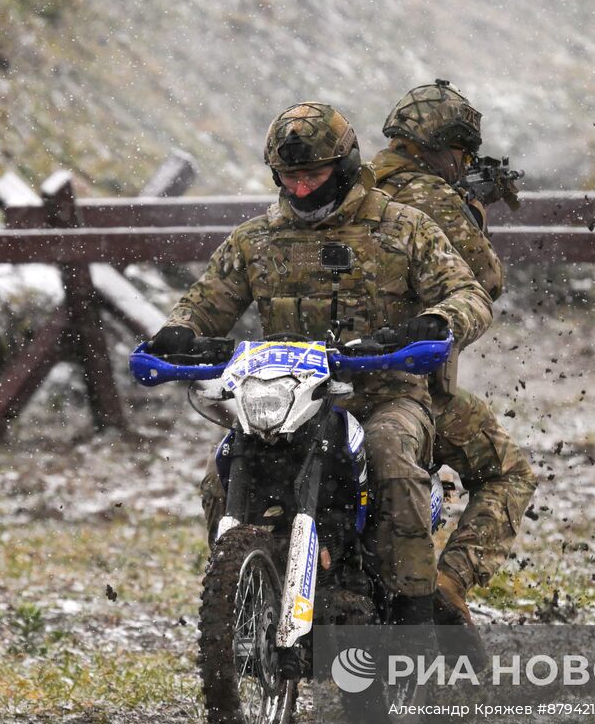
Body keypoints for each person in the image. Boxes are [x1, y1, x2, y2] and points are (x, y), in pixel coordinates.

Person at [149, 102, 493, 625]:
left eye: (314, 174)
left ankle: (415, 606)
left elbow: (469, 293)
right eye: (290, 177)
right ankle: (241, 600)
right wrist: (180, 332)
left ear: (347, 163)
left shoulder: (403, 227)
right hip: (287, 397)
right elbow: (205, 302)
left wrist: (437, 322)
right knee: (220, 477)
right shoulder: (255, 239)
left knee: (391, 458)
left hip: (385, 394)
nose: (302, 188)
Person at [370, 80, 538, 634]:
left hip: (327, 378)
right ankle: (448, 582)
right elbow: (484, 281)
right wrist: (470, 210)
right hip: (409, 387)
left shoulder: (359, 185)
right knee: (510, 471)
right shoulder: (433, 198)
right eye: (461, 153)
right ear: (445, 147)